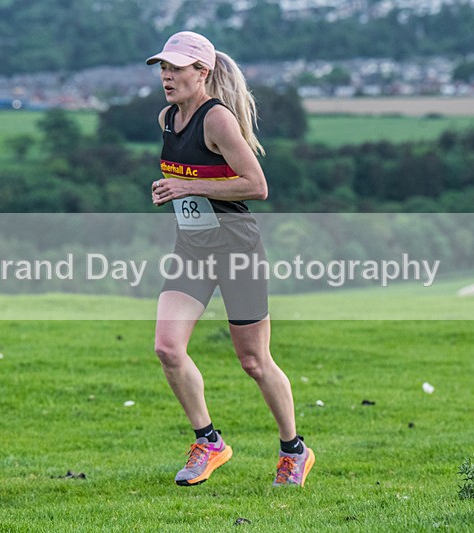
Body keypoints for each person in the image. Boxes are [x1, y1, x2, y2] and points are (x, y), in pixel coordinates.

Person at [146, 31, 315, 487]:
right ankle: (209, 442)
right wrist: (173, 190)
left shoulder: (216, 119)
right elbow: (190, 177)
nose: (167, 75)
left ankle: (294, 450)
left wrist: (189, 187)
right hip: (192, 248)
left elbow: (256, 185)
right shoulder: (167, 118)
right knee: (167, 347)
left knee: (254, 360)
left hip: (236, 248)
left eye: (176, 67)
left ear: (202, 72)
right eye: (163, 66)